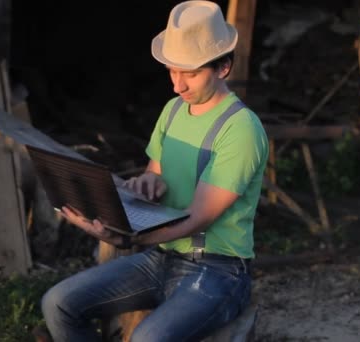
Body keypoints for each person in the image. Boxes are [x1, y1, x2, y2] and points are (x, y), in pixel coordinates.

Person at [41, 1, 269, 341]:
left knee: (148, 338)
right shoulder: (173, 110)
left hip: (217, 270)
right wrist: (147, 183)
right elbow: (156, 172)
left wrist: (129, 239)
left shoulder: (240, 129)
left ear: (222, 67)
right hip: (161, 257)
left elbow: (198, 219)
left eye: (190, 74)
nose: (177, 85)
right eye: (172, 71)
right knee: (57, 303)